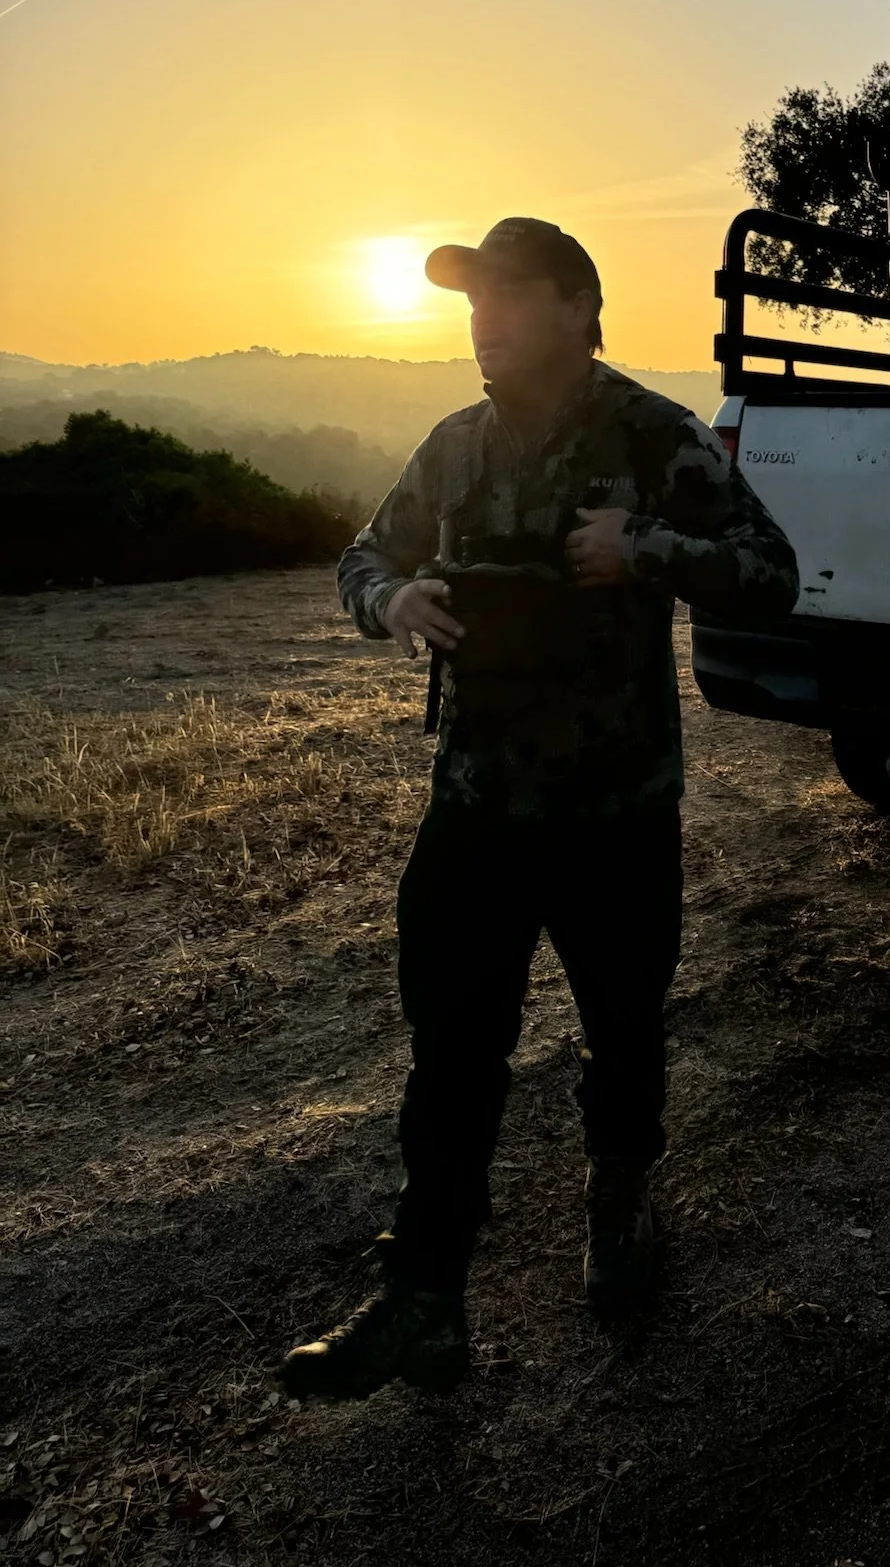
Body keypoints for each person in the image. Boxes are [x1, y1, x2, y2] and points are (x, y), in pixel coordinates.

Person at [279, 218, 799, 1400]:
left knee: (624, 1029)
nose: (486, 321)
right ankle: (427, 1299)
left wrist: (647, 547)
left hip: (615, 809)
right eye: (474, 302)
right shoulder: (453, 446)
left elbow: (776, 570)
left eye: (510, 296)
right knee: (452, 1050)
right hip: (478, 803)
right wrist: (395, 597)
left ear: (576, 306)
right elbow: (363, 555)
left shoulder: (654, 436)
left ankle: (621, 1214)